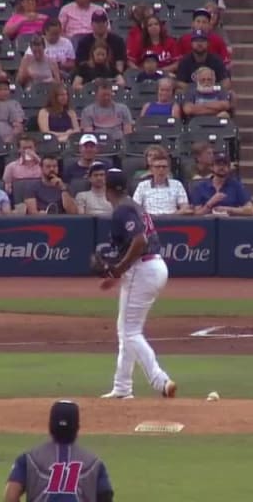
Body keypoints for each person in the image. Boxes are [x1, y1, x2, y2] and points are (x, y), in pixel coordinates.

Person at [96, 168, 178, 400]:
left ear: (106, 189)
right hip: (152, 267)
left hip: (144, 268)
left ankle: (160, 380)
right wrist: (118, 271)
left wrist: (119, 268)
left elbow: (140, 241)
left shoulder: (122, 210)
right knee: (127, 330)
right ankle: (122, 388)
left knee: (129, 332)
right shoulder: (133, 205)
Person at [4, 400, 115, 502]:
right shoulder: (94, 463)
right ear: (77, 426)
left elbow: (11, 496)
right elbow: (105, 497)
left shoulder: (28, 458)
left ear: (50, 425)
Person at [190, 152, 253, 216]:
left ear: (229, 168)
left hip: (230, 224)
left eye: (225, 164)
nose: (222, 167)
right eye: (218, 164)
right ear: (212, 167)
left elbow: (250, 210)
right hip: (207, 224)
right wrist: (210, 203)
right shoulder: (200, 187)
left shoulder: (236, 186)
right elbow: (197, 214)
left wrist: (228, 209)